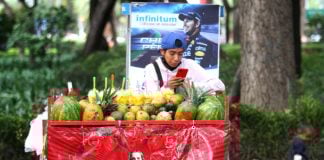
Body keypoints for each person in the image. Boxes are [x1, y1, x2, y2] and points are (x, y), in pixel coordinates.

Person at [144, 32, 225, 93]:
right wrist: (168, 88)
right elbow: (150, 98)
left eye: (180, 54)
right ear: (162, 52)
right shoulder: (151, 69)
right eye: (172, 53)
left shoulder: (189, 65)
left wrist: (189, 86)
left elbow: (219, 86)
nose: (176, 59)